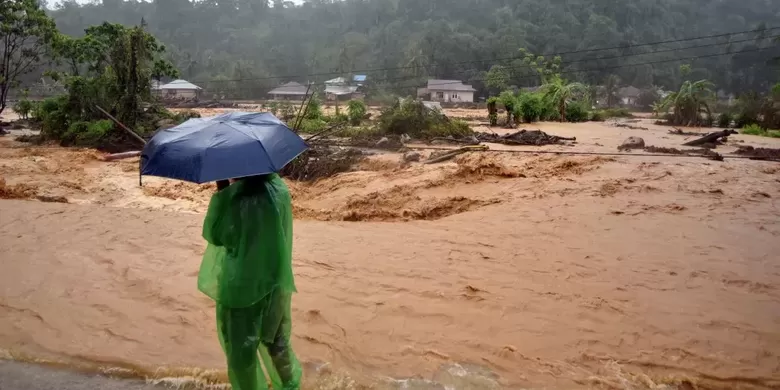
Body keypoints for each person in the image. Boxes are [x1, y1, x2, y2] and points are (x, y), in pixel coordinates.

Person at [198, 174, 301, 390]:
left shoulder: (240, 199)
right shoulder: (278, 188)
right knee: (276, 340)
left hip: (241, 286)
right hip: (274, 280)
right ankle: (290, 385)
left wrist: (223, 189)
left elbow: (217, 234)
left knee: (241, 351)